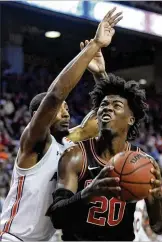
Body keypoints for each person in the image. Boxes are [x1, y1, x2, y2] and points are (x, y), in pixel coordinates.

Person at [0, 7, 123, 241]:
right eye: (60, 111)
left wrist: (100, 75)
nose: (66, 113)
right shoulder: (33, 142)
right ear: (40, 115)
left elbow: (106, 117)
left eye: (67, 108)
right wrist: (93, 46)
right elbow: (56, 95)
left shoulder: (69, 143)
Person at [46, 74, 162, 241]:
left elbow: (159, 228)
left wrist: (157, 199)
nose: (107, 108)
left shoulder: (144, 163)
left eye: (117, 105)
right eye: (103, 104)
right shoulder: (76, 156)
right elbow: (56, 217)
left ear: (131, 119)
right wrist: (87, 193)